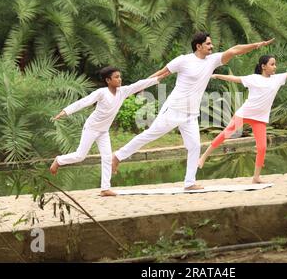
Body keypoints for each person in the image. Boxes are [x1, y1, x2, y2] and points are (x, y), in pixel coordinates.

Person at [111, 32, 275, 190]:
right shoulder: (183, 61)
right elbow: (162, 73)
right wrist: (140, 87)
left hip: (191, 114)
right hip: (174, 109)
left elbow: (234, 49)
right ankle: (118, 156)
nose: (211, 46)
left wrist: (256, 45)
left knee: (195, 146)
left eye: (211, 43)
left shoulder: (212, 61)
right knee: (150, 135)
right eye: (208, 44)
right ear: (199, 46)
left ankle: (189, 182)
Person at [198, 56, 287, 183]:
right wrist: (217, 76)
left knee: (262, 147)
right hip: (244, 114)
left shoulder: (277, 79)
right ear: (263, 66)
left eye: (275, 64)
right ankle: (203, 157)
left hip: (260, 119)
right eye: (272, 64)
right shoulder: (253, 78)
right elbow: (235, 79)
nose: (275, 67)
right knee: (226, 134)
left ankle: (256, 177)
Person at [49, 66, 164, 197]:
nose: (120, 79)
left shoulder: (123, 92)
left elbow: (138, 85)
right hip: (91, 128)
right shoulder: (101, 93)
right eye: (116, 77)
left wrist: (158, 78)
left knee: (107, 158)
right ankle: (59, 160)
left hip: (104, 131)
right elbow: (84, 102)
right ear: (108, 80)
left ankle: (105, 189)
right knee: (80, 156)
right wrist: (65, 111)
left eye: (120, 76)